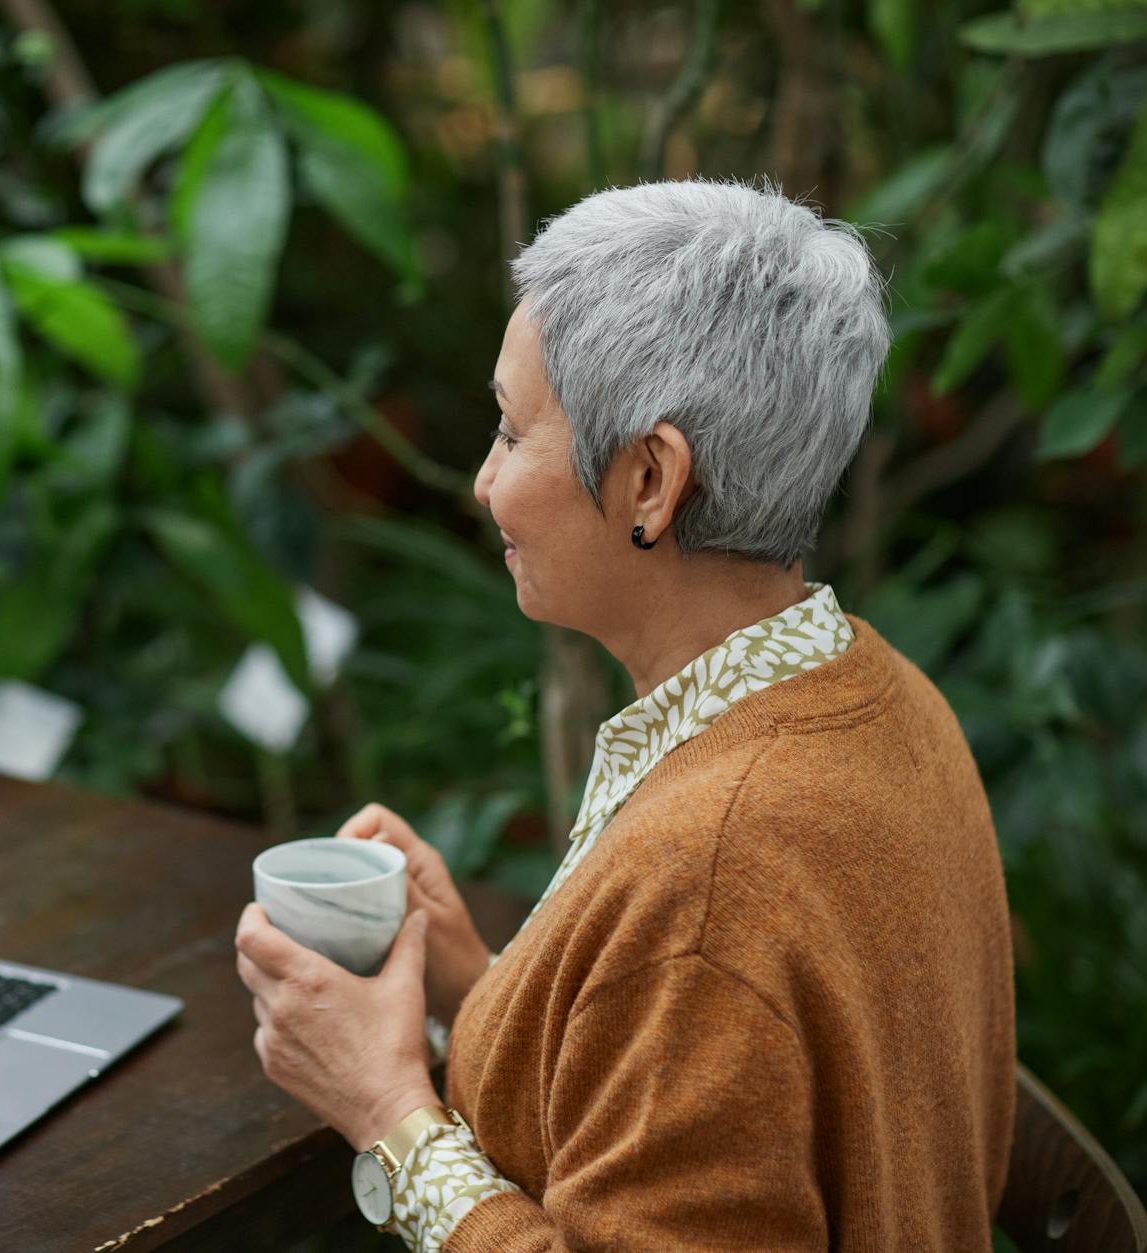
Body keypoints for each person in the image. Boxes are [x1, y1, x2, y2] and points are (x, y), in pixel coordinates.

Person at [234, 177, 1015, 1251]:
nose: (480, 480)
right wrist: (475, 979)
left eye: (510, 432)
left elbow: (697, 970)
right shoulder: (876, 695)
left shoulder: (709, 876)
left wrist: (389, 1113)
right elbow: (696, 1085)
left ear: (649, 480)